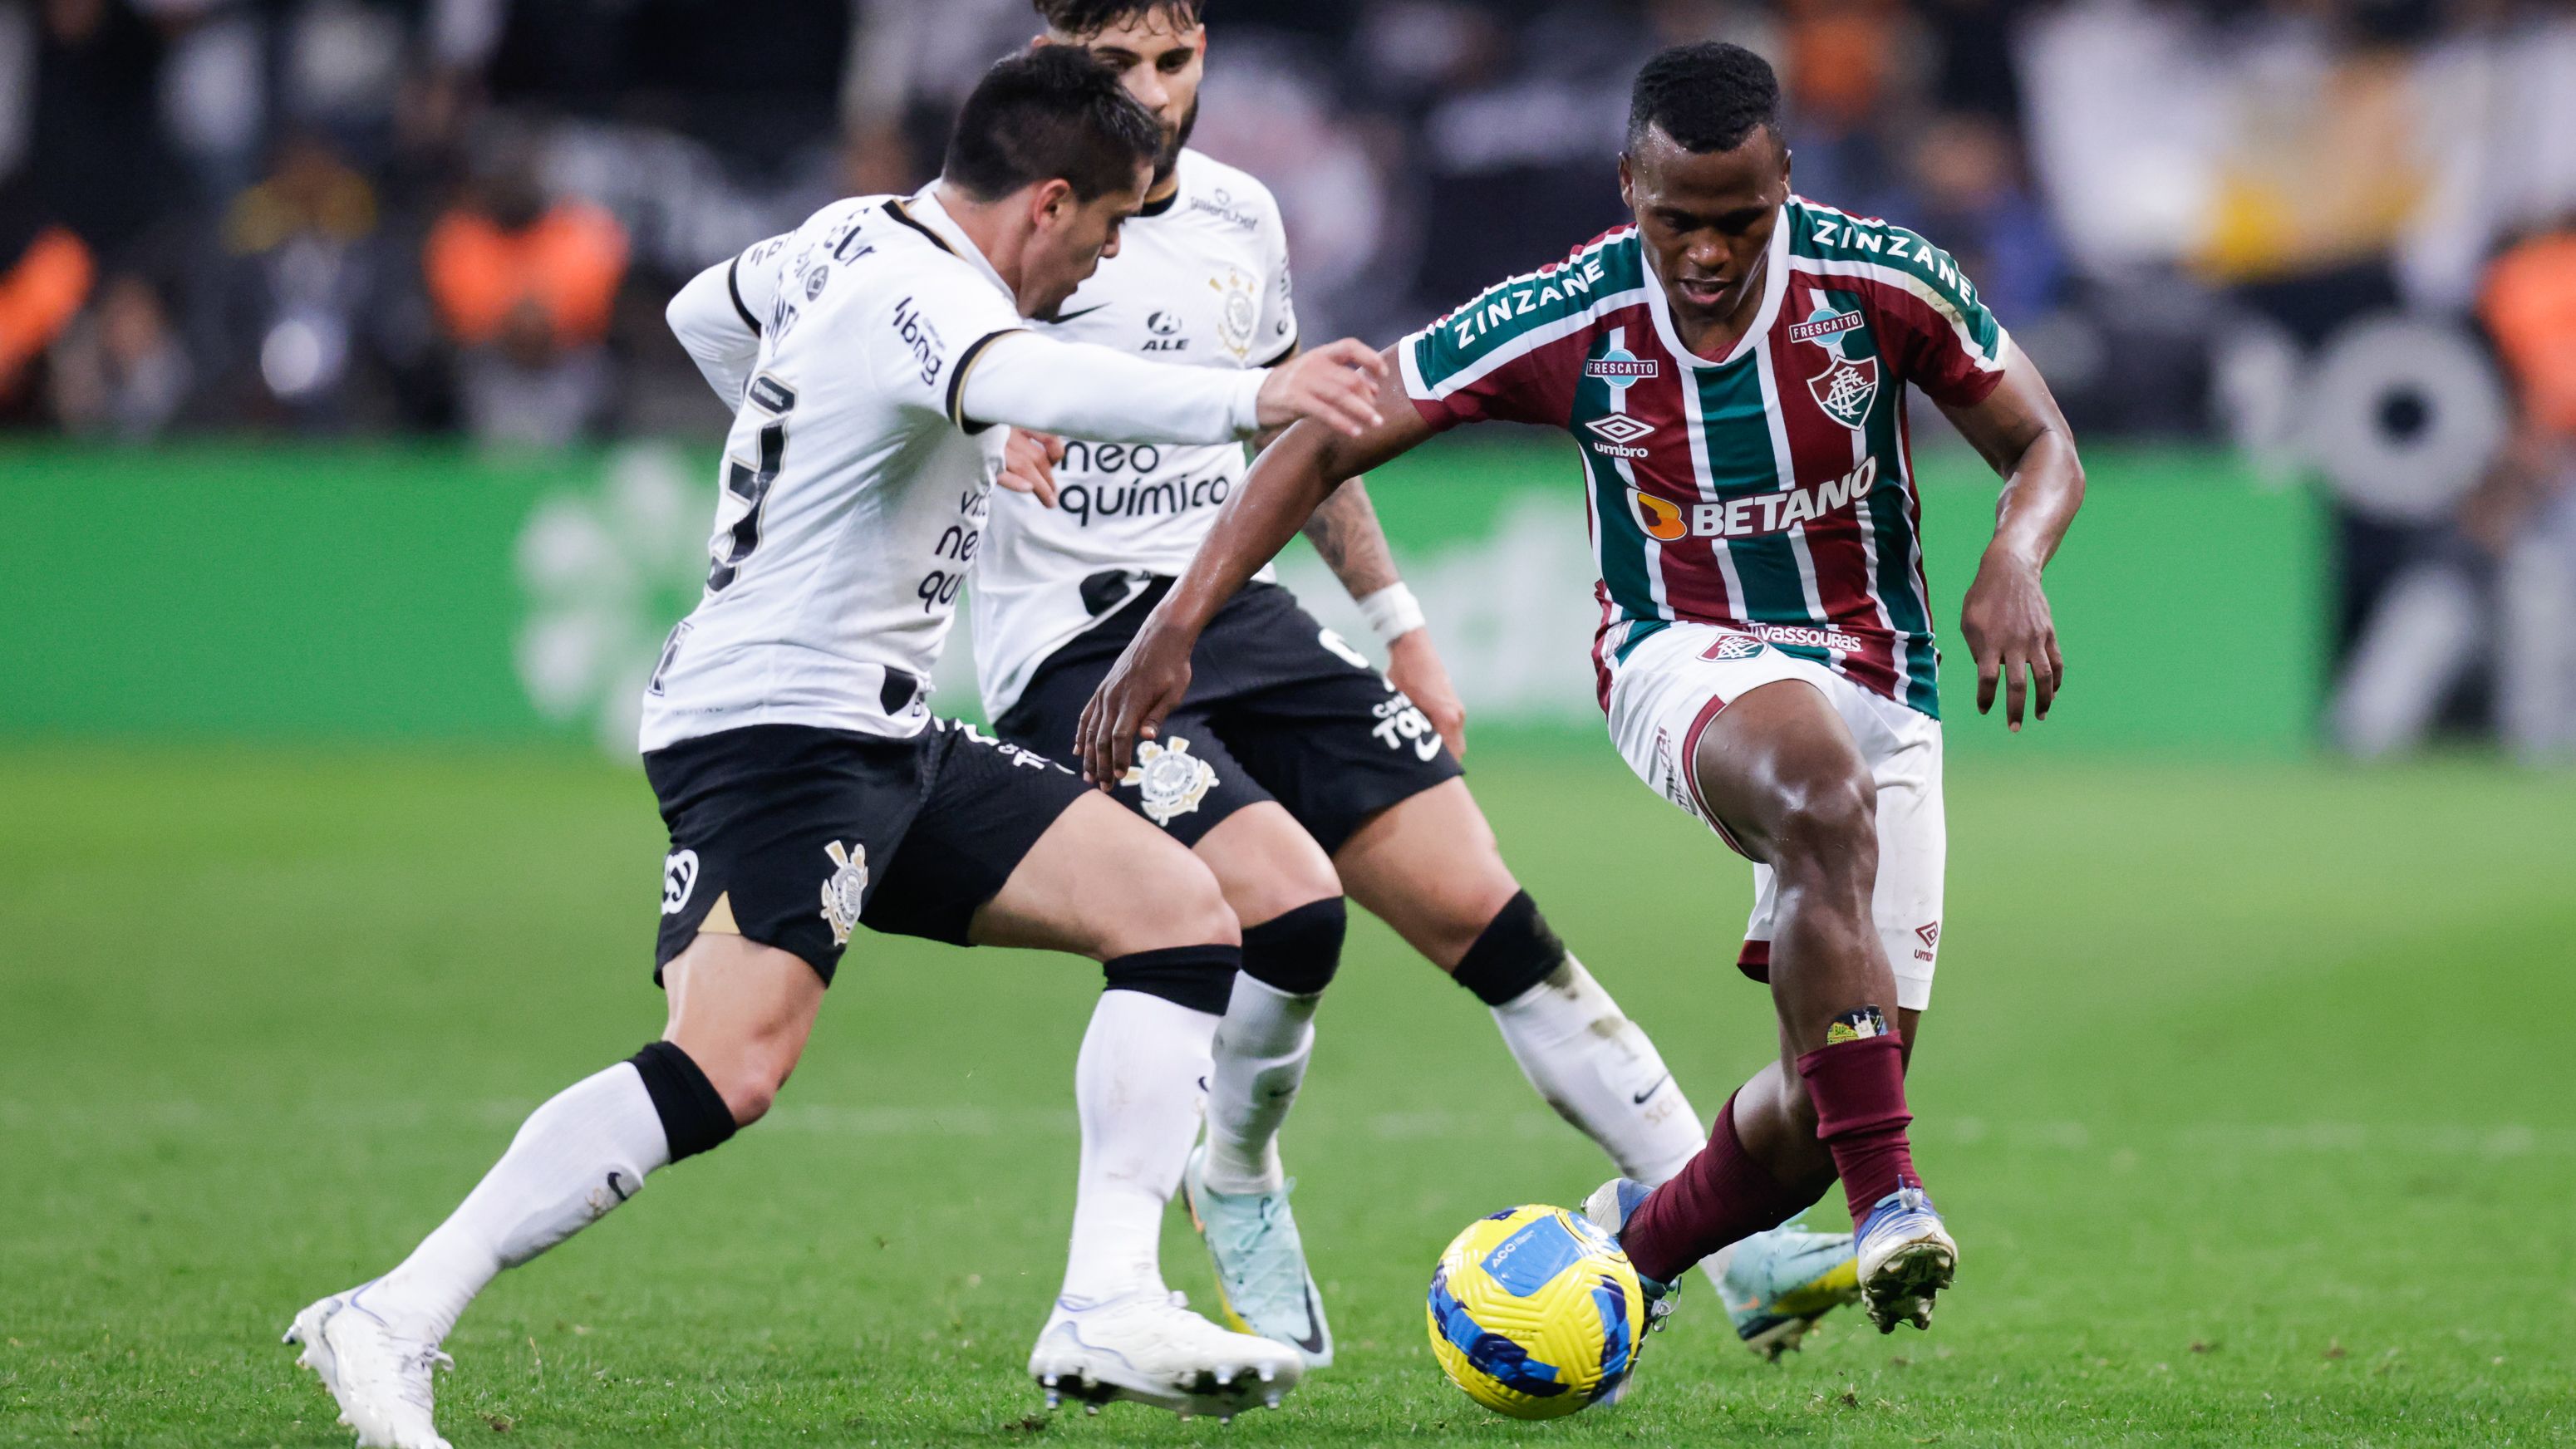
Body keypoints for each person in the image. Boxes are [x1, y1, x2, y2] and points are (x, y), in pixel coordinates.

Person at [284, 48, 1394, 1448]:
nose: (1107, 261)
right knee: (729, 1065)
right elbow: (1002, 366)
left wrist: (846, 425)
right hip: (775, 727)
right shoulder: (930, 294)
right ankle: (389, 1314)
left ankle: (1105, 1301)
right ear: (1048, 203)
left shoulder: (841, 238)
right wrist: (1258, 400)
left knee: (1182, 916)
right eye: (1109, 228)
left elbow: (707, 312)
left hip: (880, 723)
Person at [1077, 42, 2086, 1340]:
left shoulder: (1881, 281)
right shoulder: (1572, 316)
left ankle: (1619, 1260)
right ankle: (1895, 1200)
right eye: (1678, 221)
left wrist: (2014, 551)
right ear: (1629, 188)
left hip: (1883, 671)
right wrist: (1179, 623)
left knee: (1816, 1103)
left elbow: (2041, 440)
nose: (1709, 254)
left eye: (1742, 220)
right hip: (1679, 653)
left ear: (1787, 177)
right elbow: (1328, 432)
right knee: (1821, 795)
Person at [969, 0, 1863, 1365]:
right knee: (1290, 902)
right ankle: (1241, 1174)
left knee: (1486, 910)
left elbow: (1305, 438)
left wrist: (1398, 623)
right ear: (1050, 61)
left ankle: (1732, 1245)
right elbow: (893, 380)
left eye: (1175, 61)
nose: (1152, 98)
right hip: (1081, 642)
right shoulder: (994, 220)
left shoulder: (1238, 216)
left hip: (1243, 620)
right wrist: (987, 427)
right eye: (1115, 69)